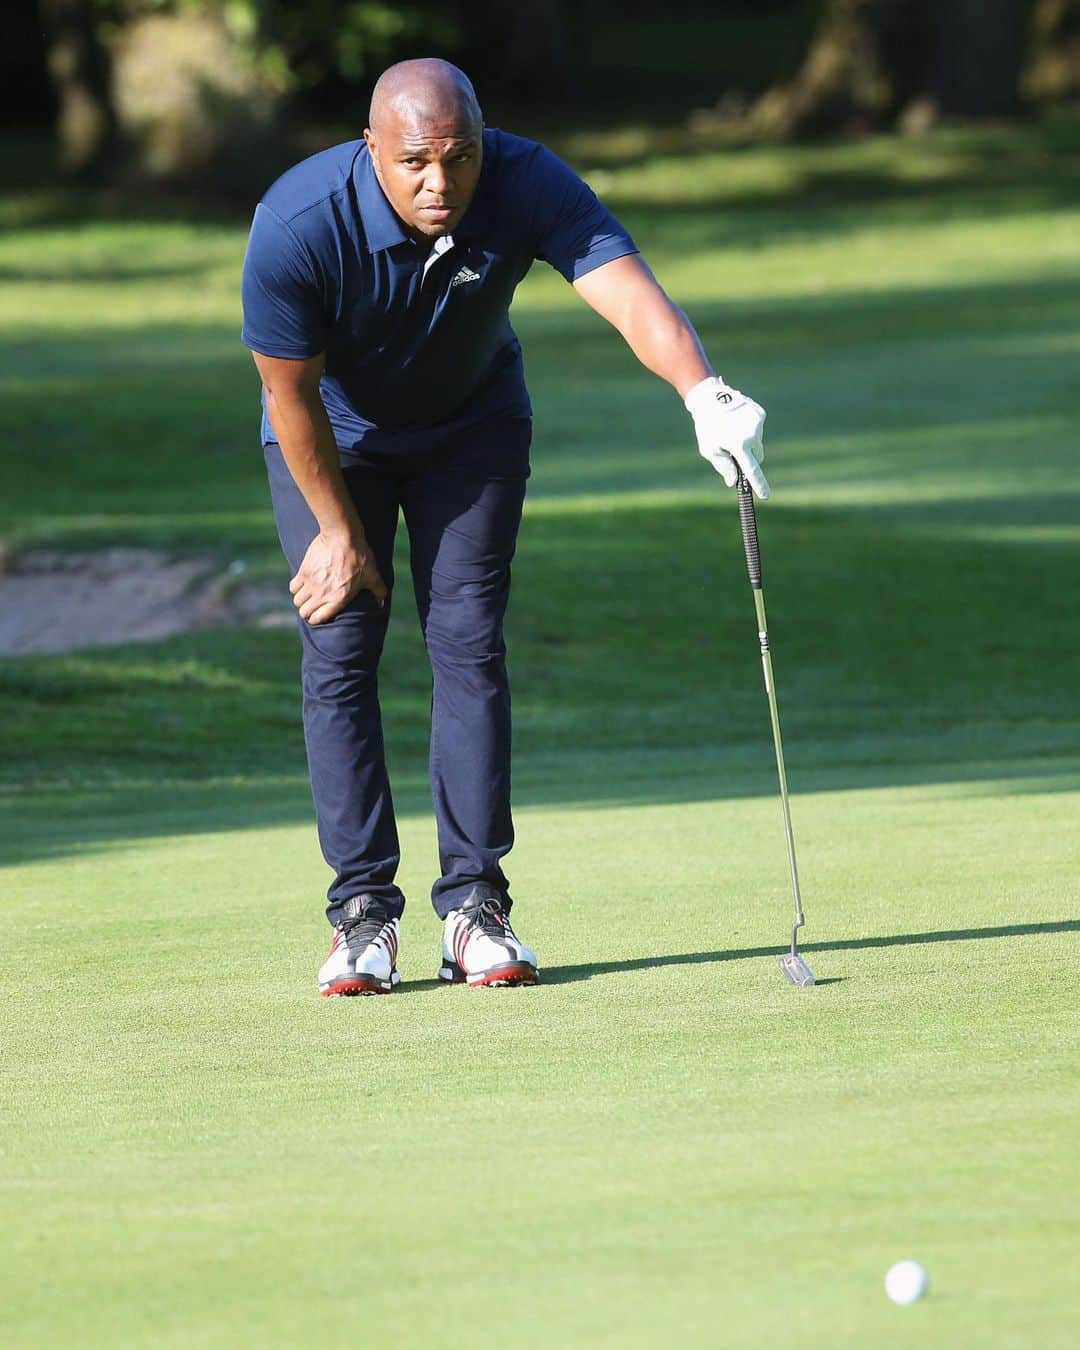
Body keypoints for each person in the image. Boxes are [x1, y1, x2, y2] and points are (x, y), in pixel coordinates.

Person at [240, 58, 769, 997]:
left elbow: (624, 287)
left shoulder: (525, 179)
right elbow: (288, 394)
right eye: (415, 163)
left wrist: (704, 392)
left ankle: (474, 910)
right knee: (340, 641)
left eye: (460, 156)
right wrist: (337, 530)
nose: (440, 183)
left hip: (473, 432)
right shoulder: (298, 222)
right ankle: (362, 916)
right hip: (334, 441)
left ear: (484, 144)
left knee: (470, 646)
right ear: (372, 152)